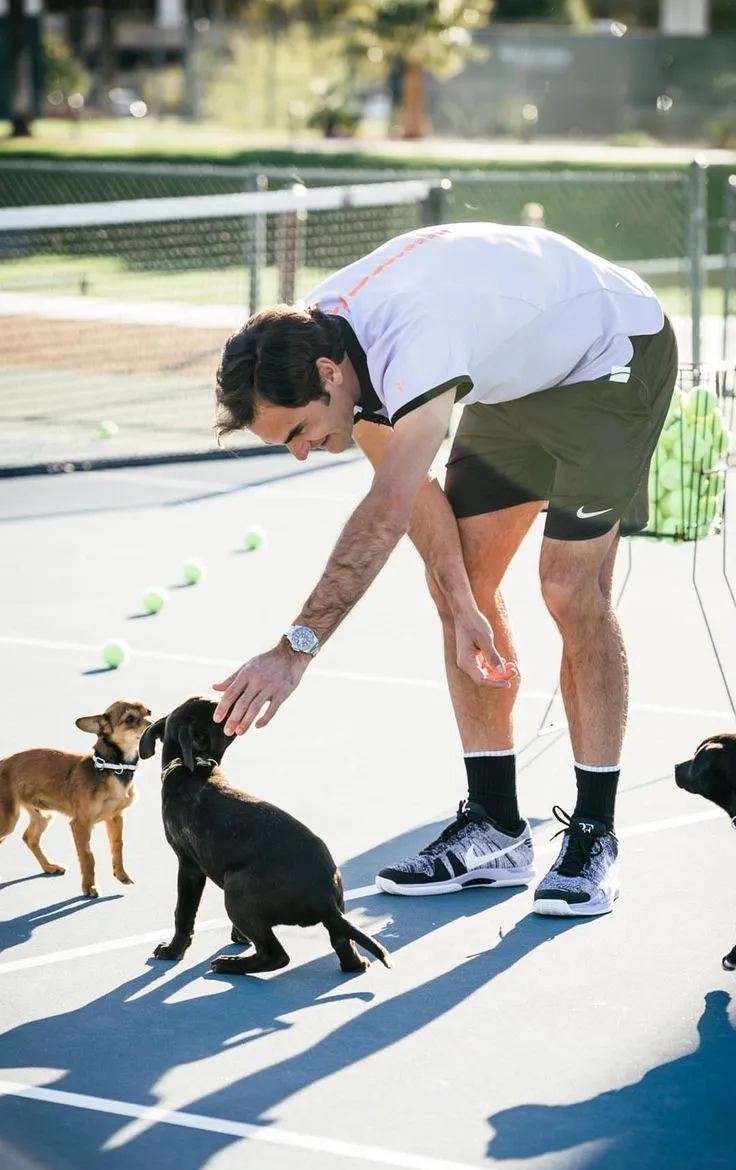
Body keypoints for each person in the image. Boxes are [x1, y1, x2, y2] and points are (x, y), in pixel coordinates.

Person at [212, 220, 677, 918]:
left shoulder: (411, 347)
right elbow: (421, 504)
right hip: (517, 377)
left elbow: (385, 511)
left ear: (329, 379)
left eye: (298, 432)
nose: (303, 452)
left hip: (613, 357)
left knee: (567, 586)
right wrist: (464, 606)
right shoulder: (316, 347)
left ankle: (594, 832)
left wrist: (293, 651)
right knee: (463, 577)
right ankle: (496, 826)